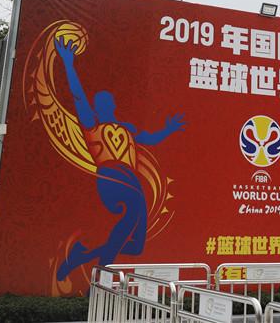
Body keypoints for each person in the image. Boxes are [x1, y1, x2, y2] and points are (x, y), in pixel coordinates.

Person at [53, 37, 186, 281]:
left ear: (113, 104)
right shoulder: (92, 126)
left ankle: (82, 255)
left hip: (133, 182)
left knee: (136, 246)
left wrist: (169, 129)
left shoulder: (128, 129)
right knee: (128, 220)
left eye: (107, 101)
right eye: (100, 102)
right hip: (111, 177)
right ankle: (100, 279)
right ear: (96, 107)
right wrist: (69, 64)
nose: (105, 104)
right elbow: (78, 97)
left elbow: (151, 138)